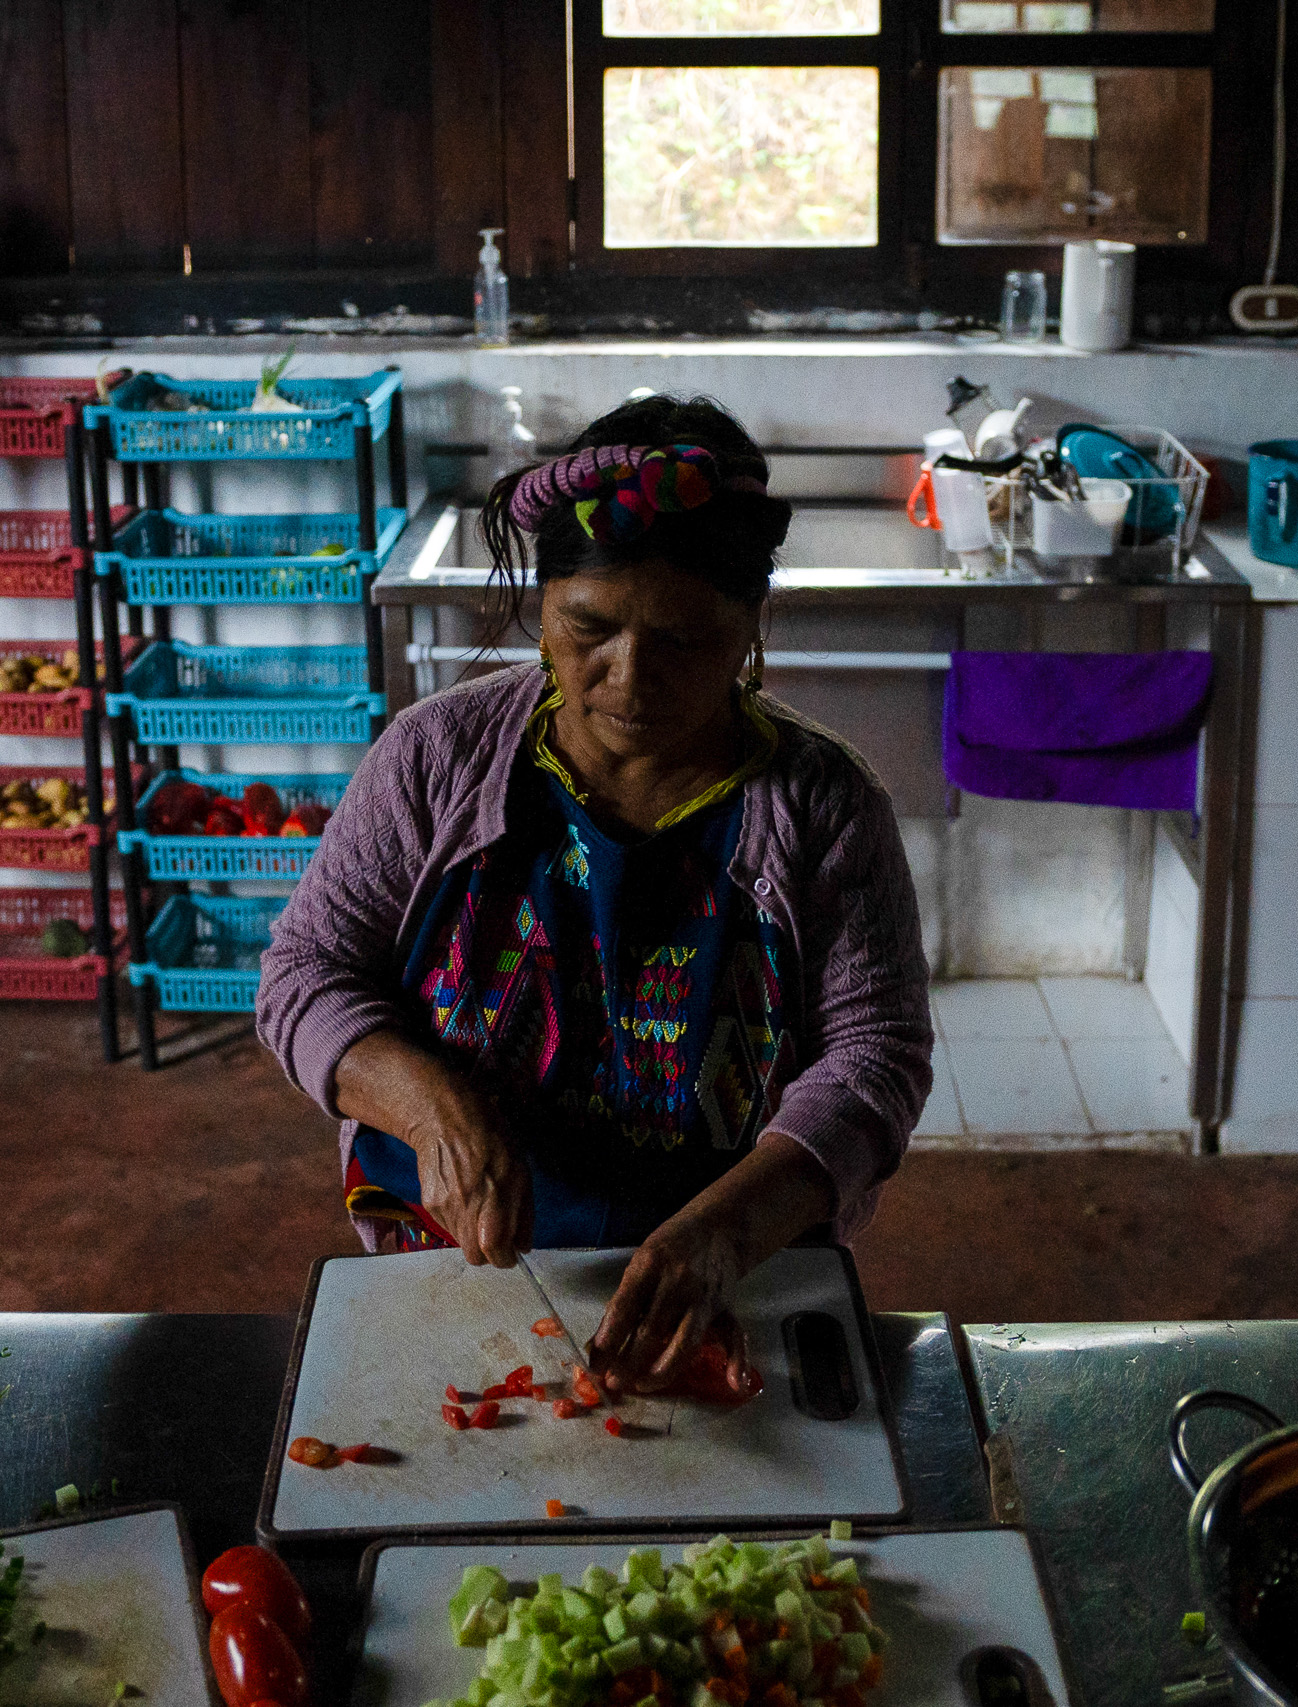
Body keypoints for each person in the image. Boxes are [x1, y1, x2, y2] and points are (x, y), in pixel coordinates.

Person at [256, 394, 931, 1394]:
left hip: (725, 1273)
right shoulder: (434, 759)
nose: (629, 678)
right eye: (590, 628)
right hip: (456, 1256)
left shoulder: (825, 805)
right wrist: (433, 1113)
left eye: (684, 639)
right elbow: (305, 974)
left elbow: (876, 1057)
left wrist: (727, 1230)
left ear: (750, 627)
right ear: (542, 610)